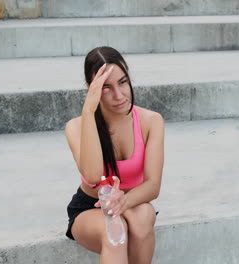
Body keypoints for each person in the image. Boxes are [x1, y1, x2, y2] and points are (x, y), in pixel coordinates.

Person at [64, 46, 165, 264]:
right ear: (91, 89)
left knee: (142, 217)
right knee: (116, 233)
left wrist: (124, 201)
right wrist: (88, 111)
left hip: (134, 200)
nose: (119, 95)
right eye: (106, 87)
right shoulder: (76, 126)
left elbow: (153, 186)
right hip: (91, 207)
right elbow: (92, 176)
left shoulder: (151, 121)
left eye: (123, 82)